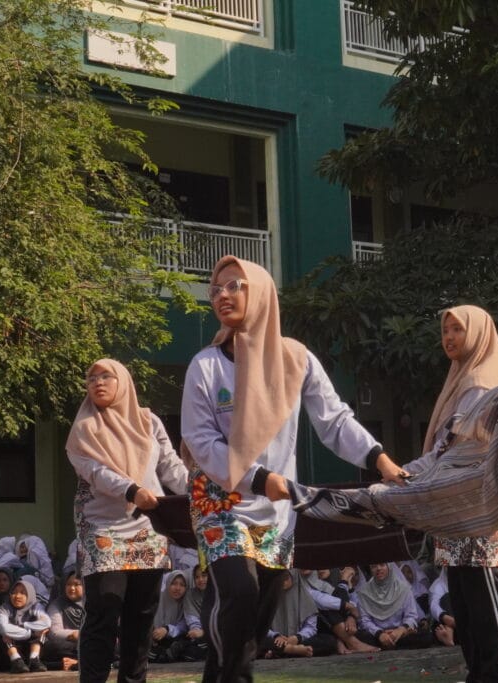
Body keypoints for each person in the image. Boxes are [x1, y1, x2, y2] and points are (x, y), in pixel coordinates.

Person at [181, 255, 407, 683]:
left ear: (262, 293)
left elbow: (334, 421)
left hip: (277, 510)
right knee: (239, 591)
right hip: (220, 501)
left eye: (235, 286)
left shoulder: (296, 360)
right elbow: (201, 440)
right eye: (216, 289)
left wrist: (379, 459)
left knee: (255, 617)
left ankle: (222, 676)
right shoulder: (205, 367)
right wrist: (259, 479)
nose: (222, 296)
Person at [404, 304, 498, 682]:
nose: (449, 338)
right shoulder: (459, 383)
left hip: (480, 511)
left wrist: (406, 474)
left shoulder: (482, 385)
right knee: (467, 609)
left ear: (479, 334)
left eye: (457, 329)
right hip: (456, 512)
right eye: (446, 331)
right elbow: (443, 449)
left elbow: (454, 449)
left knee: (486, 604)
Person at [66, 358, 189, 683]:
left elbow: (170, 467)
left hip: (148, 529)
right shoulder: (83, 429)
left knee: (141, 618)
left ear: (123, 381)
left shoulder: (148, 421)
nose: (97, 382)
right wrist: (132, 489)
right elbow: (96, 473)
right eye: (91, 377)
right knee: (103, 613)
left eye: (106, 376)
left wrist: (200, 491)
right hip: (103, 531)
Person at [353, 562, 432, 651]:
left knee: (426, 636)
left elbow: (411, 615)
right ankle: (392, 644)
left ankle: (388, 645)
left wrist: (400, 630)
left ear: (389, 567)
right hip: (377, 635)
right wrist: (380, 634)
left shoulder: (403, 589)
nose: (378, 568)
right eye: (374, 566)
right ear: (370, 570)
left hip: (400, 633)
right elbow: (365, 620)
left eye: (382, 565)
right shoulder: (364, 592)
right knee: (359, 636)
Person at [301, 567, 375, 655]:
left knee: (369, 638)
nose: (320, 569)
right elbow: (321, 599)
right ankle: (351, 643)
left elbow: (355, 606)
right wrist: (344, 581)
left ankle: (342, 639)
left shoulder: (328, 583)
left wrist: (351, 617)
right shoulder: (301, 583)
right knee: (329, 607)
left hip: (339, 625)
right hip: (311, 631)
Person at [0, 579, 51, 673]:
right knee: (2, 632)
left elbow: (46, 623)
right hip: (1, 657)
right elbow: (3, 627)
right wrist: (31, 633)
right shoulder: (4, 608)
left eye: (22, 593)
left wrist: (24, 625)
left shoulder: (35, 606)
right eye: (14, 592)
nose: (17, 596)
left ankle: (34, 659)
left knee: (42, 629)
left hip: (25, 657)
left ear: (30, 595)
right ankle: (16, 660)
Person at [44, 572, 84, 671]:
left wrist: (84, 635)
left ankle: (76, 662)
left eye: (76, 584)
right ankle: (79, 661)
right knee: (50, 647)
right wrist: (75, 634)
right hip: (70, 644)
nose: (72, 588)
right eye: (68, 584)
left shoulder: (93, 602)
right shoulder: (57, 604)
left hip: (90, 641)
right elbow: (54, 632)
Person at [148, 570, 189, 663]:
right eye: (174, 583)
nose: (178, 588)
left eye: (182, 585)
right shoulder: (157, 598)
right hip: (153, 638)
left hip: (174, 638)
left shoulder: (186, 602)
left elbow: (184, 625)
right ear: (167, 583)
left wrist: (167, 629)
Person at [428, 568, 455, 647]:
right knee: (447, 598)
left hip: (463, 624)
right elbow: (434, 605)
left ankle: (450, 639)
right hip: (443, 623)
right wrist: (445, 617)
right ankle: (449, 634)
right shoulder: (438, 585)